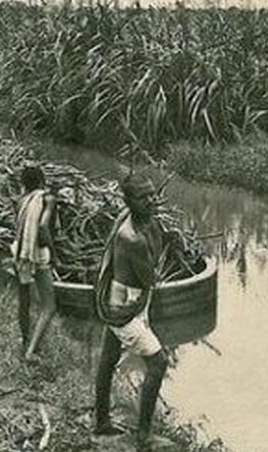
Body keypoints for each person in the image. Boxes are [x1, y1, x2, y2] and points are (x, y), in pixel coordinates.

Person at [93, 174, 173, 451]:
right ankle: (143, 436)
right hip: (124, 303)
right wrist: (155, 258)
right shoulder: (131, 238)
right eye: (143, 197)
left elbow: (153, 265)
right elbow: (151, 276)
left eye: (152, 194)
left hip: (133, 296)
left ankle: (101, 421)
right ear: (129, 202)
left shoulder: (145, 222)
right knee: (159, 363)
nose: (151, 200)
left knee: (109, 357)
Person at [11, 165, 57, 361]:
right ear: (41, 182)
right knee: (49, 305)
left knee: (24, 300)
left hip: (20, 251)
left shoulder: (21, 200)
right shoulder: (47, 198)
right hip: (37, 253)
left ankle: (25, 340)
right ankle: (31, 352)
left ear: (24, 184)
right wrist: (54, 254)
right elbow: (43, 227)